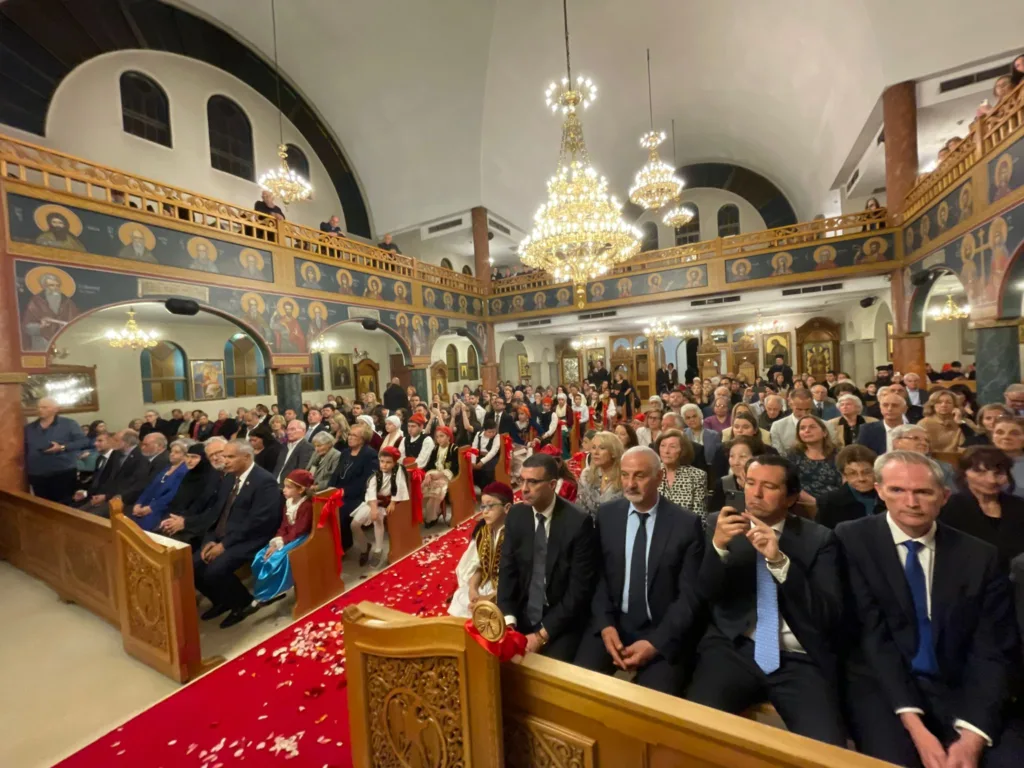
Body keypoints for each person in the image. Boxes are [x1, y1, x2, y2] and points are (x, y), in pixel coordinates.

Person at [837, 451, 1024, 766]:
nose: (911, 502)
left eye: (923, 492)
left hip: (959, 684)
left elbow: (992, 648)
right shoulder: (852, 539)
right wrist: (916, 728)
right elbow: (872, 638)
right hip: (885, 687)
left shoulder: (979, 556)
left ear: (944, 496)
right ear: (880, 491)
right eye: (897, 490)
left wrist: (972, 736)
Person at [686, 454, 847, 744]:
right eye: (750, 483)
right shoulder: (720, 525)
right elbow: (704, 593)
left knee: (827, 746)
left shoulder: (820, 539)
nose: (756, 494)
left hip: (797, 657)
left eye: (769, 487)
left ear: (791, 497)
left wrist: (780, 562)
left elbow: (826, 614)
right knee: (693, 733)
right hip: (734, 647)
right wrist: (718, 548)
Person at [574, 446, 705, 693]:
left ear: (659, 476)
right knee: (578, 687)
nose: (630, 484)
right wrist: (605, 625)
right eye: (625, 475)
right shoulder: (608, 514)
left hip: (661, 628)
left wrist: (656, 643)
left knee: (651, 706)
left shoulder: (686, 524)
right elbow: (598, 577)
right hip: (613, 622)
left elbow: (690, 597)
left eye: (639, 476)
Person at [496, 453, 597, 661]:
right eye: (522, 480)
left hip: (561, 619)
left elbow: (578, 592)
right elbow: (507, 571)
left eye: (532, 482)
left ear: (552, 484)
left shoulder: (578, 523)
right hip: (523, 611)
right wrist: (508, 621)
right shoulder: (517, 515)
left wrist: (542, 635)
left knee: (546, 673)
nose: (523, 488)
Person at [193, 440, 282, 629]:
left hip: (252, 538)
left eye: (230, 457)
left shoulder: (264, 481)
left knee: (215, 570)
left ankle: (241, 603)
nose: (225, 461)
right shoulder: (228, 478)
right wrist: (210, 539)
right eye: (224, 456)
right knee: (192, 565)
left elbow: (258, 521)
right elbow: (218, 512)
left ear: (247, 457)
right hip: (224, 535)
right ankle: (222, 601)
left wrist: (224, 545)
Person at [243, 468, 317, 617]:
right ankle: (266, 593)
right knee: (261, 556)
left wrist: (282, 542)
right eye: (285, 486)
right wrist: (276, 541)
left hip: (299, 538)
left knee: (276, 559)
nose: (284, 490)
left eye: (289, 487)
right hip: (286, 536)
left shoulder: (306, 505)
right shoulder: (288, 502)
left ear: (301, 489)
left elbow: (300, 529)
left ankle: (272, 592)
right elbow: (284, 524)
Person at [941, 446, 1024, 571]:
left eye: (998, 473)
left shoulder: (1019, 505)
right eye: (980, 472)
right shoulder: (949, 507)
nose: (991, 480)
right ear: (964, 474)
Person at [448, 482, 513, 618]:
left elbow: (520, 578)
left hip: (507, 590)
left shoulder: (515, 535)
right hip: (486, 584)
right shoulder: (482, 533)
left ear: (507, 508)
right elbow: (480, 568)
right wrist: (473, 590)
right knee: (461, 599)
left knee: (499, 611)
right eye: (483, 506)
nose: (485, 511)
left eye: (491, 506)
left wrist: (490, 597)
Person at [350, 446, 408, 569]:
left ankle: (378, 549)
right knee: (354, 525)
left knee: (378, 520)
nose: (384, 465)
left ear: (394, 462)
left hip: (386, 504)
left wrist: (393, 502)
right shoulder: (375, 475)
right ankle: (365, 546)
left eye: (388, 462)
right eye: (382, 461)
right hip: (374, 502)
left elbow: (400, 487)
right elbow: (371, 494)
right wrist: (374, 509)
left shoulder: (398, 471)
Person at [24, 397, 90, 504]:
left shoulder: (69, 424)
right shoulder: (29, 428)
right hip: (38, 475)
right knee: (43, 507)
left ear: (55, 409)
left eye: (44, 407)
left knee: (65, 506)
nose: (40, 410)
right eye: (38, 407)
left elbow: (83, 441)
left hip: (62, 473)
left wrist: (62, 447)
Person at [157, 444, 221, 548]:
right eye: (188, 456)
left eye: (194, 457)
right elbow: (177, 501)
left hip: (195, 526)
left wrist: (183, 520)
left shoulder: (212, 477)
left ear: (203, 459)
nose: (189, 461)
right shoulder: (189, 474)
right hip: (178, 519)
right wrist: (171, 519)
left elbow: (202, 506)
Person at [328, 422, 380, 551]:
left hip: (358, 495)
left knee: (340, 510)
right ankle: (331, 543)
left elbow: (366, 481)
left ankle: (344, 545)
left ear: (363, 439)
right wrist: (330, 488)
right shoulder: (345, 453)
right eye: (349, 435)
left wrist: (344, 492)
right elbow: (336, 473)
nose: (350, 438)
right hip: (339, 492)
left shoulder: (369, 454)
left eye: (354, 436)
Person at [815, 445, 880, 529]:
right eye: (853, 473)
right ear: (844, 475)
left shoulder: (888, 497)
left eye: (867, 472)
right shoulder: (829, 502)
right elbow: (825, 538)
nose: (861, 478)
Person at [130, 439, 190, 531]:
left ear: (185, 456)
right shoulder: (166, 468)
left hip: (161, 510)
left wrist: (150, 508)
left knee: (142, 528)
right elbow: (150, 488)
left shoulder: (184, 472)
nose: (172, 454)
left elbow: (171, 495)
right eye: (171, 451)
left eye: (177, 452)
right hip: (146, 506)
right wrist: (139, 503)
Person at [788, 416, 842, 507]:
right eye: (802, 428)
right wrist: (816, 504)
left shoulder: (838, 454)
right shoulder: (793, 455)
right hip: (803, 505)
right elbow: (791, 485)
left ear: (824, 432)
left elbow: (845, 484)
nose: (807, 431)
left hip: (835, 504)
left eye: (812, 427)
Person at [655, 429, 708, 523]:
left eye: (672, 447)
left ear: (682, 450)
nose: (666, 451)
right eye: (662, 446)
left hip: (684, 532)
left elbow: (699, 517)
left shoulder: (697, 476)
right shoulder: (652, 473)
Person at [577, 431, 624, 517]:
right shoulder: (586, 475)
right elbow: (580, 507)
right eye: (594, 448)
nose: (596, 452)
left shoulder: (625, 477)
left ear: (613, 452)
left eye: (602, 448)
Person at [73, 430, 122, 510]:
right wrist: (85, 493)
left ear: (110, 442)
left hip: (106, 499)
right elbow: (96, 481)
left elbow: (114, 484)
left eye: (100, 441)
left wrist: (104, 497)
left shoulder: (118, 459)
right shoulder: (100, 458)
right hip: (92, 496)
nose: (95, 444)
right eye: (96, 441)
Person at [918, 389, 975, 454]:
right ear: (932, 405)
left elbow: (972, 442)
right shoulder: (924, 424)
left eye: (948, 402)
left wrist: (960, 422)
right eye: (939, 402)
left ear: (955, 405)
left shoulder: (965, 422)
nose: (944, 405)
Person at [708, 436, 756, 514]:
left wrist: (747, 489)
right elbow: (712, 518)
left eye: (742, 456)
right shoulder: (723, 483)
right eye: (731, 456)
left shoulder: (767, 483)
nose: (735, 462)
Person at [422, 425, 459, 526]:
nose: (439, 439)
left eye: (442, 436)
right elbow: (429, 465)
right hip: (434, 474)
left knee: (437, 488)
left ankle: (432, 516)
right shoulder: (435, 448)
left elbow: (455, 468)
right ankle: (433, 512)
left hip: (448, 476)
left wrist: (441, 474)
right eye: (437, 437)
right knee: (424, 485)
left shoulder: (454, 449)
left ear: (448, 437)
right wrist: (428, 475)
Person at [857, 386, 909, 455]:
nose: (889, 409)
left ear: (904, 409)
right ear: (880, 408)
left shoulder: (914, 430)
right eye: (885, 405)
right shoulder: (867, 430)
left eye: (895, 405)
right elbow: (861, 456)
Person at [273, 419, 314, 487]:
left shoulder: (307, 447)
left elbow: (301, 471)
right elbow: (277, 467)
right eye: (288, 430)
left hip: (290, 487)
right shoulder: (284, 446)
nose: (288, 432)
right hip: (275, 484)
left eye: (292, 429)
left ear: (303, 431)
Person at [682, 403, 721, 468]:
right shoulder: (682, 435)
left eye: (694, 416)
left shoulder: (714, 435)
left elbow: (717, 458)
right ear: (685, 421)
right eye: (688, 418)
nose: (692, 420)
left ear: (701, 416)